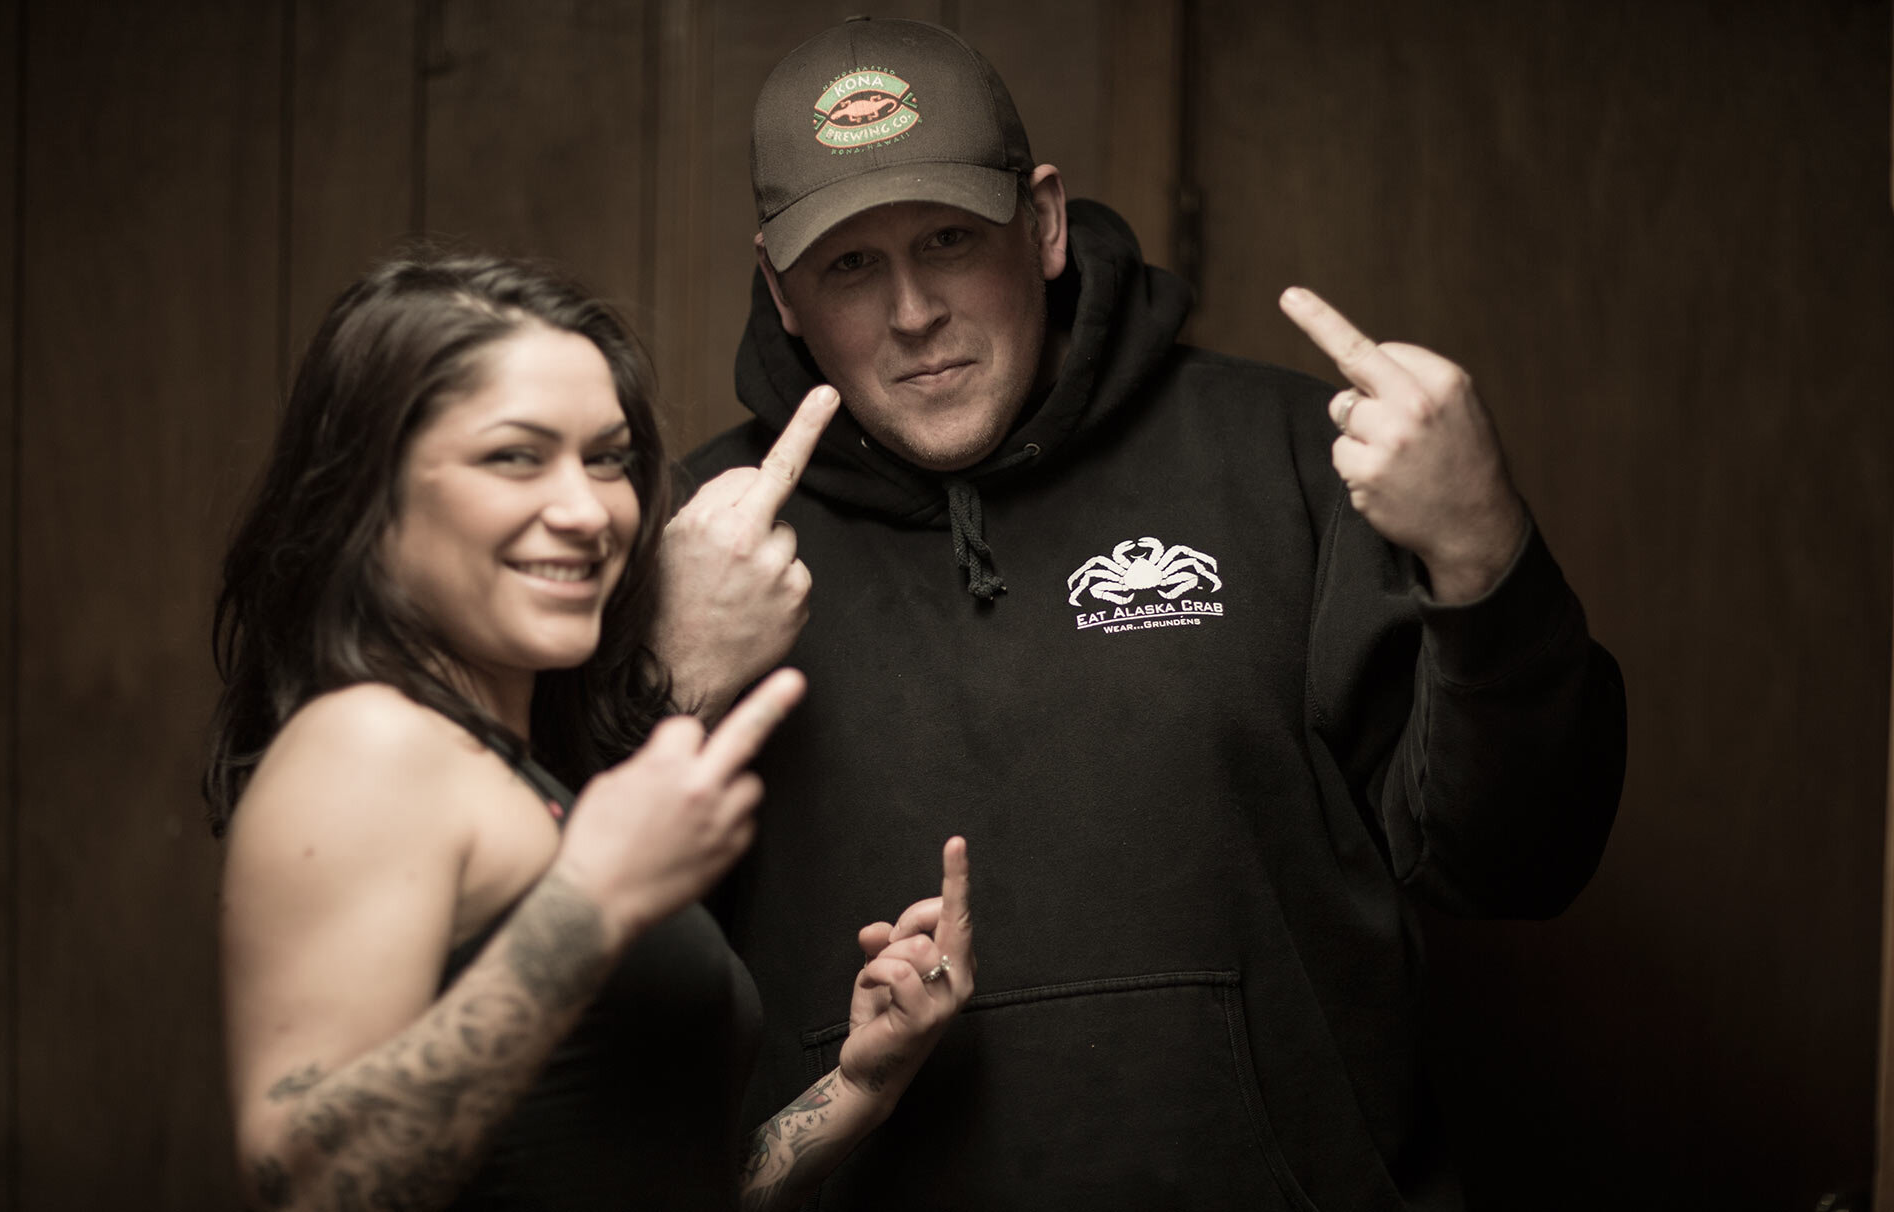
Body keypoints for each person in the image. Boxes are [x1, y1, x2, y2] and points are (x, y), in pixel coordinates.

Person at [656, 17, 1627, 1211]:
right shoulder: (700, 545)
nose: (912, 312)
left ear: (1044, 223)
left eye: (950, 238)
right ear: (781, 293)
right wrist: (667, 686)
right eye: (850, 266)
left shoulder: (1297, 461)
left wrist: (1485, 553)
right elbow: (563, 1008)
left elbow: (1518, 863)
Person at [205, 252, 976, 1212]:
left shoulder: (512, 772)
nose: (585, 511)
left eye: (606, 459)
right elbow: (310, 1186)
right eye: (514, 457)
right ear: (374, 493)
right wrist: (591, 904)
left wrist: (857, 1090)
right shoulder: (371, 744)